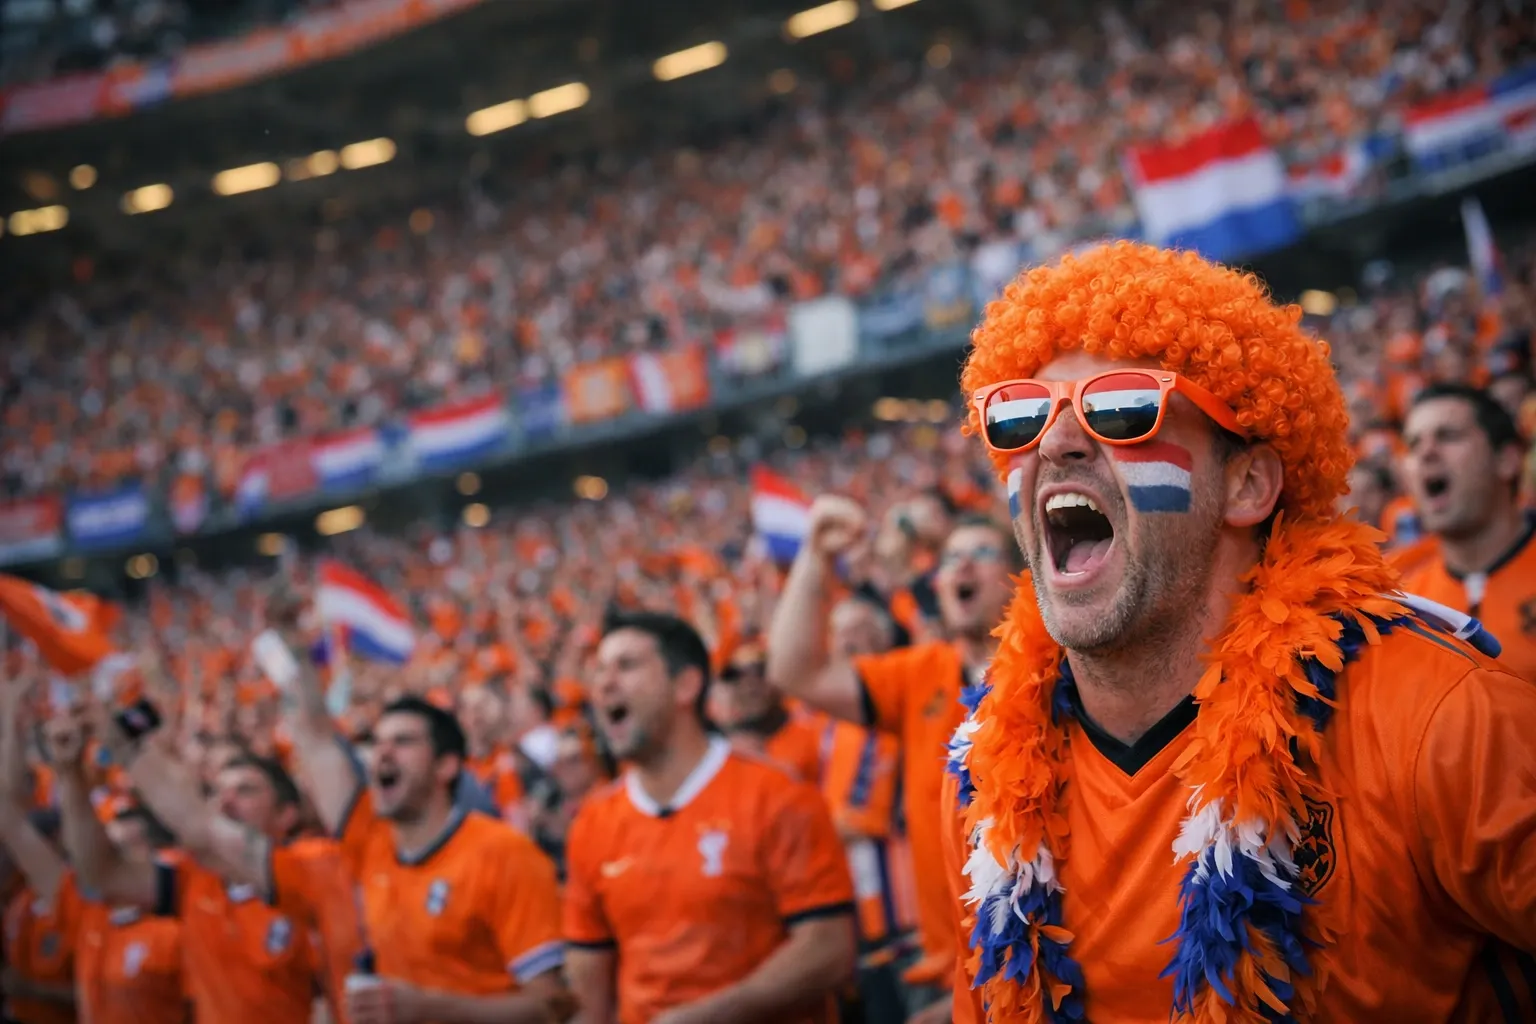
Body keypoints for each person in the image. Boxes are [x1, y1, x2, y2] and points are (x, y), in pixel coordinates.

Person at [944, 242, 1535, 1022]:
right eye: (1021, 414)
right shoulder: (987, 776)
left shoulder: (1439, 721)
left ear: (1248, 484)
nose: (1055, 442)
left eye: (1121, 407)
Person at [766, 510, 1017, 1011]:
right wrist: (816, 555)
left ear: (1022, 575)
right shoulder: (920, 673)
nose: (961, 567)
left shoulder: (1067, 663)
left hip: (1052, 962)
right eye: (950, 558)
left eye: (982, 553)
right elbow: (795, 671)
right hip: (954, 973)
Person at [564, 611, 856, 1024]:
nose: (603, 683)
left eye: (626, 665)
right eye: (598, 670)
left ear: (685, 685)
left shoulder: (777, 795)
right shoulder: (591, 824)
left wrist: (707, 1016)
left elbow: (829, 950)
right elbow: (587, 984)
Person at [49, 714, 321, 1024]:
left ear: (286, 815)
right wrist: (69, 773)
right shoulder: (196, 880)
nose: (226, 801)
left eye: (245, 791)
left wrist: (127, 747)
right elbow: (101, 873)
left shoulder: (311, 877)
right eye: (217, 792)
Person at [0, 676, 187, 1024]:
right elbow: (13, 824)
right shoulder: (88, 913)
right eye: (109, 842)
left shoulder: (181, 926)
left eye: (124, 847)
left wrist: (31, 990)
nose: (110, 850)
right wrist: (65, 768)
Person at [1393, 383, 1536, 681]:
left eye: (1448, 436)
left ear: (1507, 460)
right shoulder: (1398, 599)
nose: (1426, 453)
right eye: (1413, 444)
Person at [714, 641, 824, 784]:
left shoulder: (814, 734)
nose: (749, 685)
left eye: (760, 674)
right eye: (737, 678)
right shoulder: (716, 746)